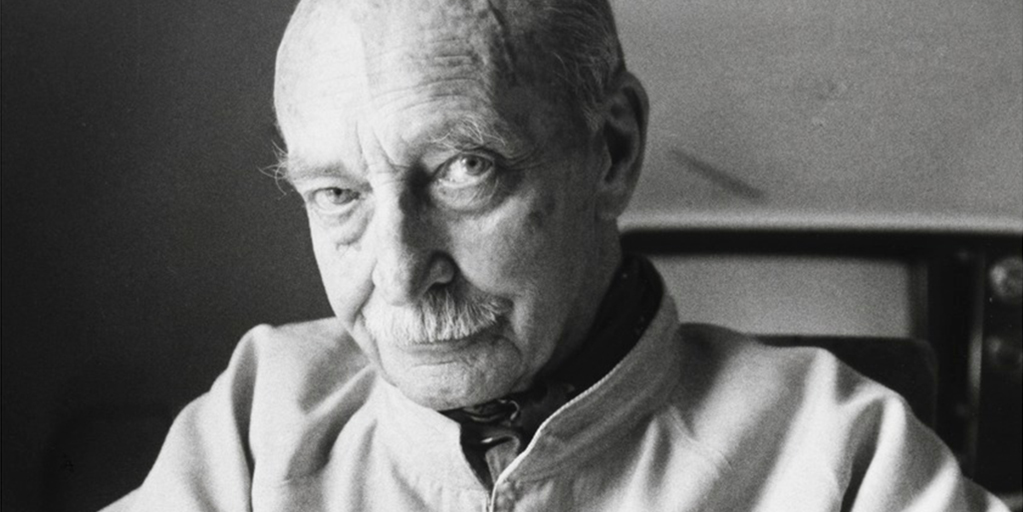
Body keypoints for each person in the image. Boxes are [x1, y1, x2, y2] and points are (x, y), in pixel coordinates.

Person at [103, 0, 1009, 510]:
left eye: (463, 170)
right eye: (337, 195)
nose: (398, 273)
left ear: (611, 150)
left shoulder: (842, 455)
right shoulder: (257, 422)